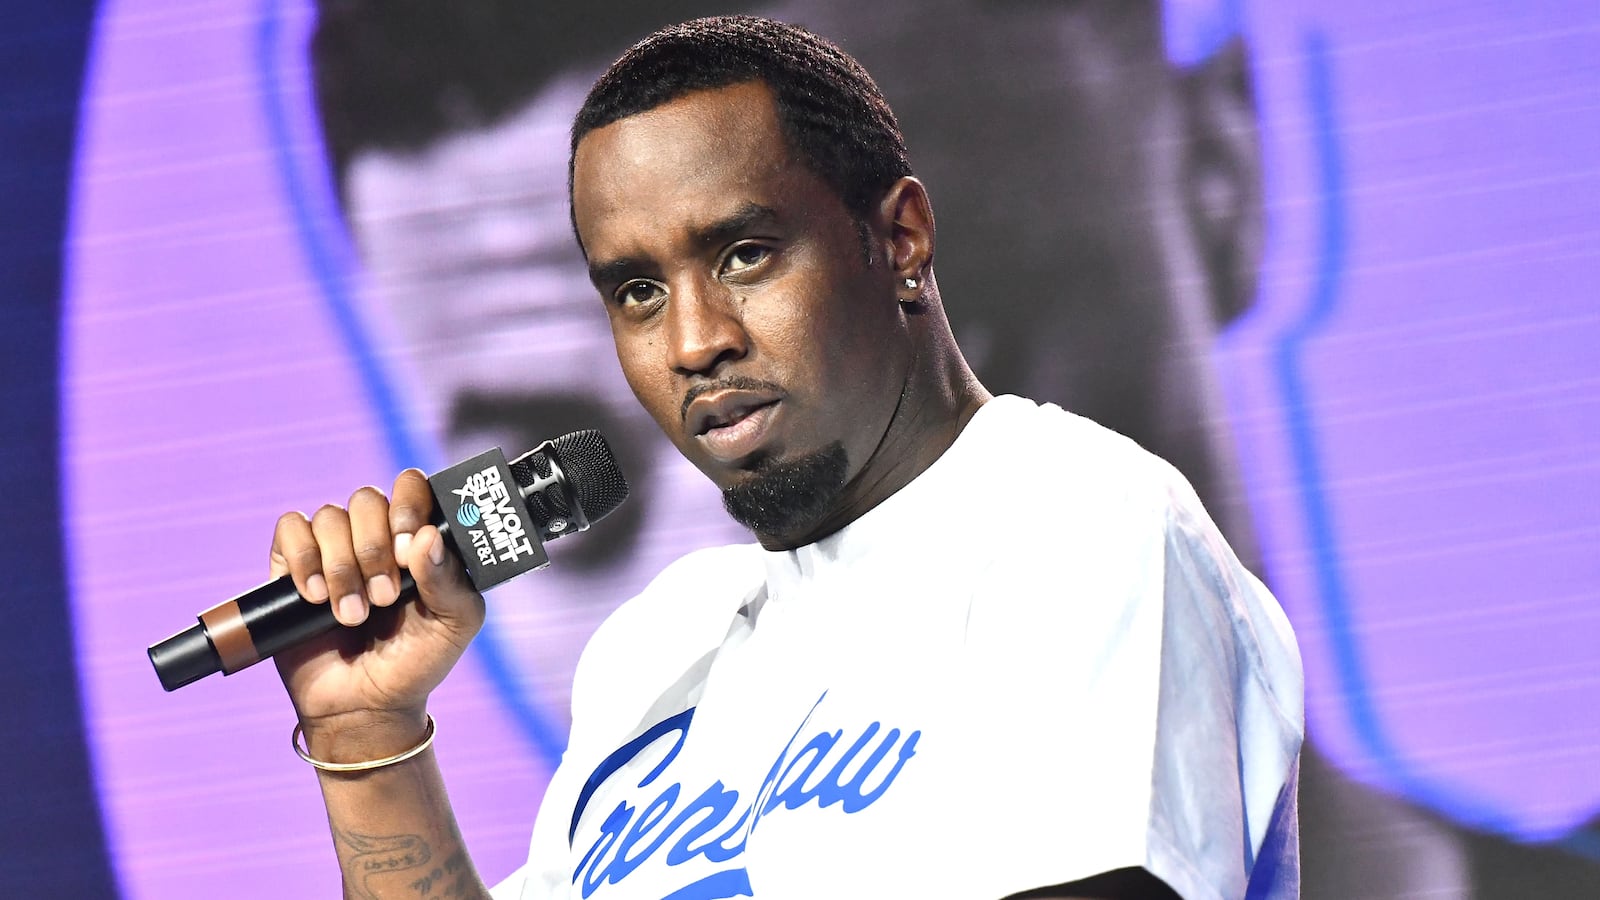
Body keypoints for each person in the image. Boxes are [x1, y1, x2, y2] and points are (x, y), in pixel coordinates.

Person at [274, 16, 1302, 899]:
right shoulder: (654, 654)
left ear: (900, 239)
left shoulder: (1071, 522)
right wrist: (368, 733)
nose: (691, 340)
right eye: (636, 292)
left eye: (744, 255)